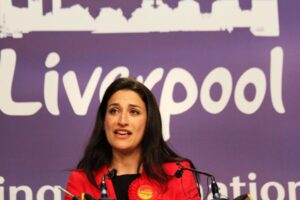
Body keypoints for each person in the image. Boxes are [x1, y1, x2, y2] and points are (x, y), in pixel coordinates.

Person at [65, 77, 201, 200]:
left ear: (149, 122)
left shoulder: (178, 173)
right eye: (114, 111)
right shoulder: (81, 180)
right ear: (103, 121)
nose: (122, 121)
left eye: (134, 112)